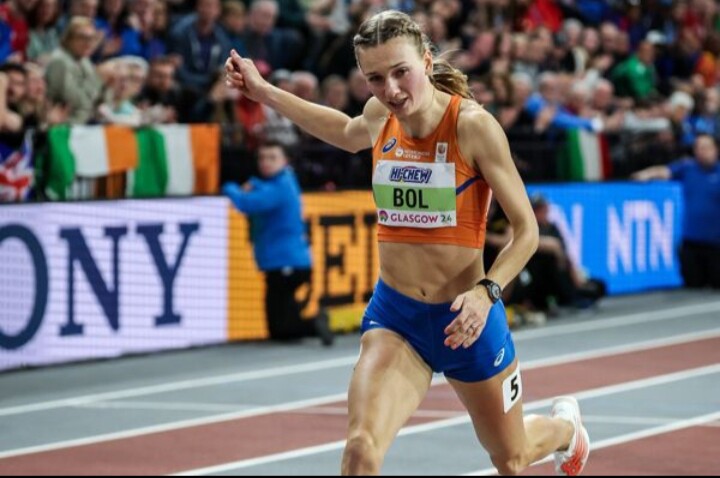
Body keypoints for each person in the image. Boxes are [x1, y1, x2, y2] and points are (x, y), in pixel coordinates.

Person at [224, 10, 589, 476]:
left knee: (511, 458)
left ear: (426, 61)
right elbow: (344, 131)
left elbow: (527, 231)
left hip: (466, 320)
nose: (391, 90)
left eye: (401, 72)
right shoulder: (380, 116)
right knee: (360, 451)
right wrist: (264, 92)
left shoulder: (472, 126)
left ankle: (566, 430)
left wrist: (486, 293)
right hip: (397, 318)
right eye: (375, 79)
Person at [222, 141, 334, 346]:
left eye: (272, 158)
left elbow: (248, 203)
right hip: (284, 262)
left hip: (286, 263)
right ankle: (311, 323)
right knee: (278, 327)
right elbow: (262, 190)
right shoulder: (281, 183)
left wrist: (228, 187)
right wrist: (253, 184)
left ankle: (313, 324)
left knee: (281, 328)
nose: (266, 162)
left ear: (285, 161)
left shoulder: (282, 185)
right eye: (262, 158)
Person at [631, 134, 720, 289]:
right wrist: (645, 174)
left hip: (716, 242)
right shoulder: (688, 168)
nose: (702, 152)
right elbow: (664, 171)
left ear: (716, 150)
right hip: (691, 240)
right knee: (693, 286)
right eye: (698, 148)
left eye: (706, 148)